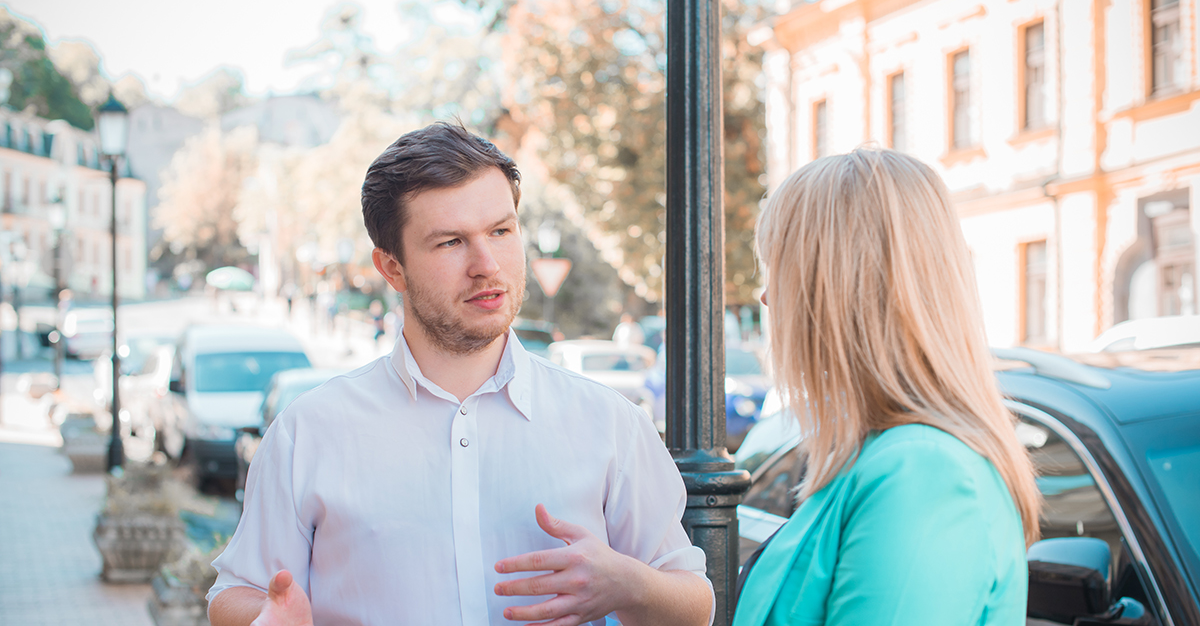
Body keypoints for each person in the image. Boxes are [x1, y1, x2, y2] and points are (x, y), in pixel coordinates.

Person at [206, 122, 713, 626]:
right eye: (451, 242)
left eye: (501, 230)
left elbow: (695, 604)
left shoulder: (611, 425)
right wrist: (266, 619)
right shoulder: (307, 432)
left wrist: (629, 586)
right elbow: (236, 593)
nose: (487, 264)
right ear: (392, 268)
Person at [733, 149, 1041, 625]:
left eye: (781, 266)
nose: (767, 297)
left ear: (835, 285)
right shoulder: (887, 456)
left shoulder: (922, 471)